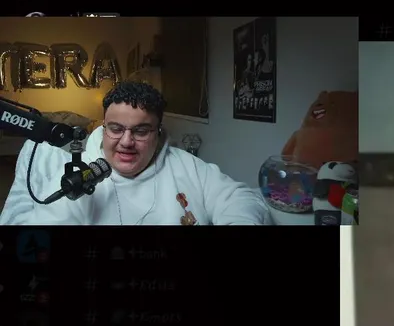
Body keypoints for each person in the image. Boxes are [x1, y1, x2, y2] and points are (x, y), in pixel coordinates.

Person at [1, 81, 269, 225]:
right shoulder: (76, 173)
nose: (126, 142)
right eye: (116, 129)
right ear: (104, 127)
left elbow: (242, 199)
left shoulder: (187, 166)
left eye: (141, 131)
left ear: (158, 132)